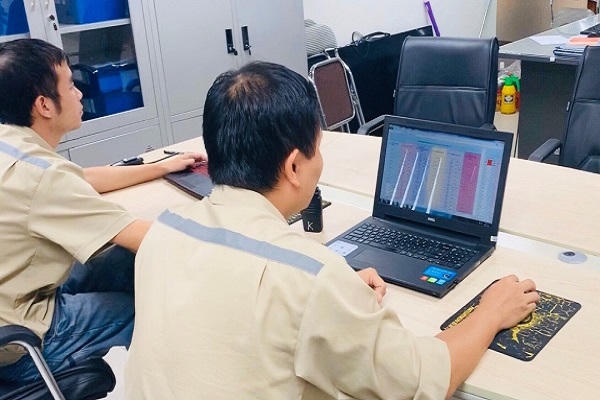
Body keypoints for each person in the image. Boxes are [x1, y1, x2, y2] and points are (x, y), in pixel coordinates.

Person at [125, 61, 539, 399]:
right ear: (293, 166)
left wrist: (340, 297)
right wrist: (490, 312)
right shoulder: (310, 277)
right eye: (318, 148)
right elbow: (422, 380)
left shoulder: (165, 230)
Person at [0, 39, 203, 384]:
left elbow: (82, 178)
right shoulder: (43, 177)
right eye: (70, 85)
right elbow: (145, 237)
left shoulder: (12, 144)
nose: (80, 93)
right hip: (19, 341)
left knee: (123, 263)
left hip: (15, 295)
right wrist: (234, 236)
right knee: (144, 310)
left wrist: (160, 166)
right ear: (44, 105)